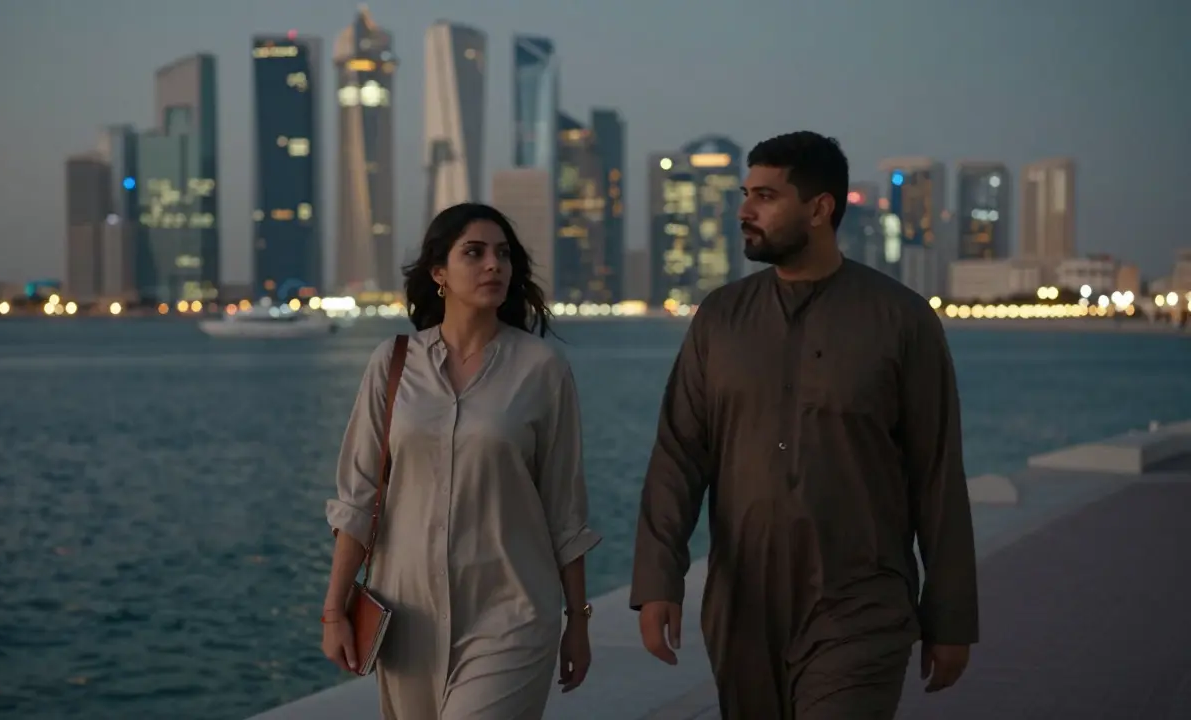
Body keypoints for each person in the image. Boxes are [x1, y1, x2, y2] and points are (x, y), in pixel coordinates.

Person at [629, 131, 979, 719]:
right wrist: (657, 580)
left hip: (860, 603)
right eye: (745, 194)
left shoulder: (901, 320)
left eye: (765, 196)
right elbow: (678, 457)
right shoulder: (720, 318)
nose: (744, 210)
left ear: (820, 209)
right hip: (743, 608)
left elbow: (937, 474)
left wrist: (951, 616)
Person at [321, 202, 602, 719]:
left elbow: (565, 510)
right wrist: (334, 611)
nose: (494, 264)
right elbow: (358, 500)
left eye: (503, 254)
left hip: (512, 612)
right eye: (474, 253)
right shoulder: (392, 363)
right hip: (407, 617)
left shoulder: (542, 368)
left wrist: (578, 621)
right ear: (439, 273)